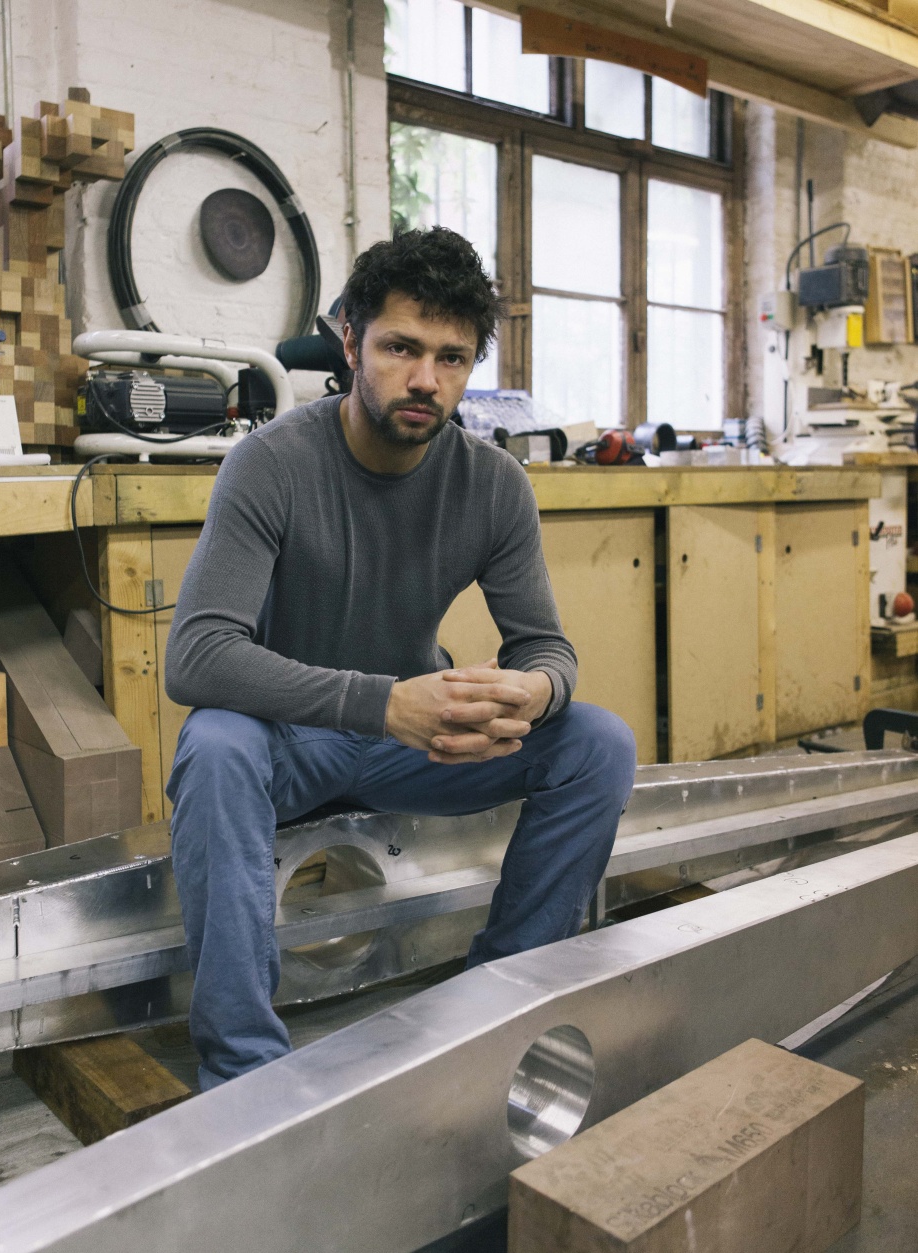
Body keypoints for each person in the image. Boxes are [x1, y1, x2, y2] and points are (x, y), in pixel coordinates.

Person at [165, 226, 636, 1091]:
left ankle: (499, 1003)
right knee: (217, 744)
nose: (426, 380)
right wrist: (384, 702)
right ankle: (243, 1078)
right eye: (401, 348)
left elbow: (547, 647)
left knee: (597, 744)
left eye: (453, 358)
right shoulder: (270, 463)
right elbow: (196, 657)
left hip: (413, 746)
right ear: (350, 342)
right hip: (291, 739)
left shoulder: (493, 485)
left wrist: (532, 690)